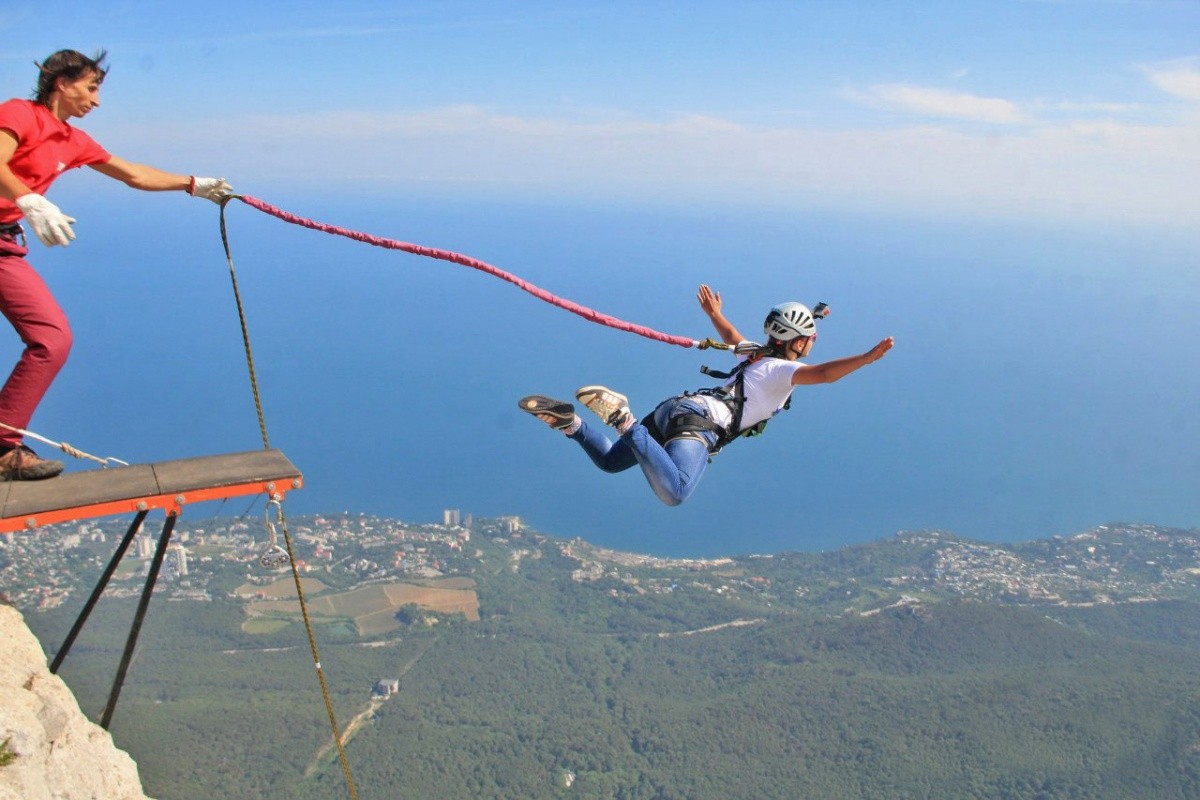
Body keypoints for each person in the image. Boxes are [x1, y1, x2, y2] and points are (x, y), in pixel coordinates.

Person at [0, 49, 233, 480]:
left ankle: (1, 447)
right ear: (62, 83)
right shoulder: (19, 113)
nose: (97, 100)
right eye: (91, 88)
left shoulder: (73, 141)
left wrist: (192, 185)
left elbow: (132, 174)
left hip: (3, 246)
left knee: (52, 340)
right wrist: (29, 200)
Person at [520, 284, 893, 506]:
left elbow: (730, 335)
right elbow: (824, 374)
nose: (814, 342)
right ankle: (622, 419)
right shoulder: (781, 372)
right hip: (698, 423)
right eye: (811, 338)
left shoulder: (756, 354)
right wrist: (866, 359)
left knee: (610, 462)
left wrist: (715, 313)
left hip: (676, 408)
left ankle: (571, 424)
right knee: (676, 491)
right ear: (796, 341)